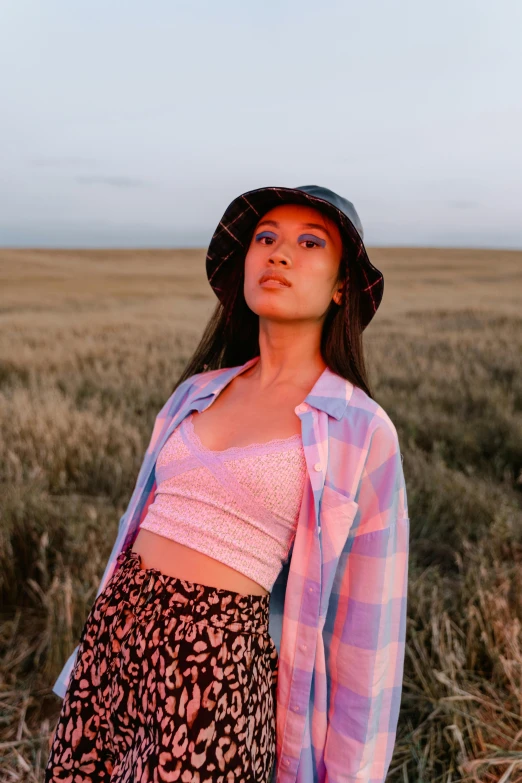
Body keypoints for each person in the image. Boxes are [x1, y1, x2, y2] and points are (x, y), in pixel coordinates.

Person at [45, 185, 410, 783]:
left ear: (343, 285)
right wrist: (90, 652)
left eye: (309, 242)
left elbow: (366, 628)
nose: (279, 254)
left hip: (214, 668)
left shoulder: (359, 429)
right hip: (117, 634)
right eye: (264, 238)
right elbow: (130, 530)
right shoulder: (195, 393)